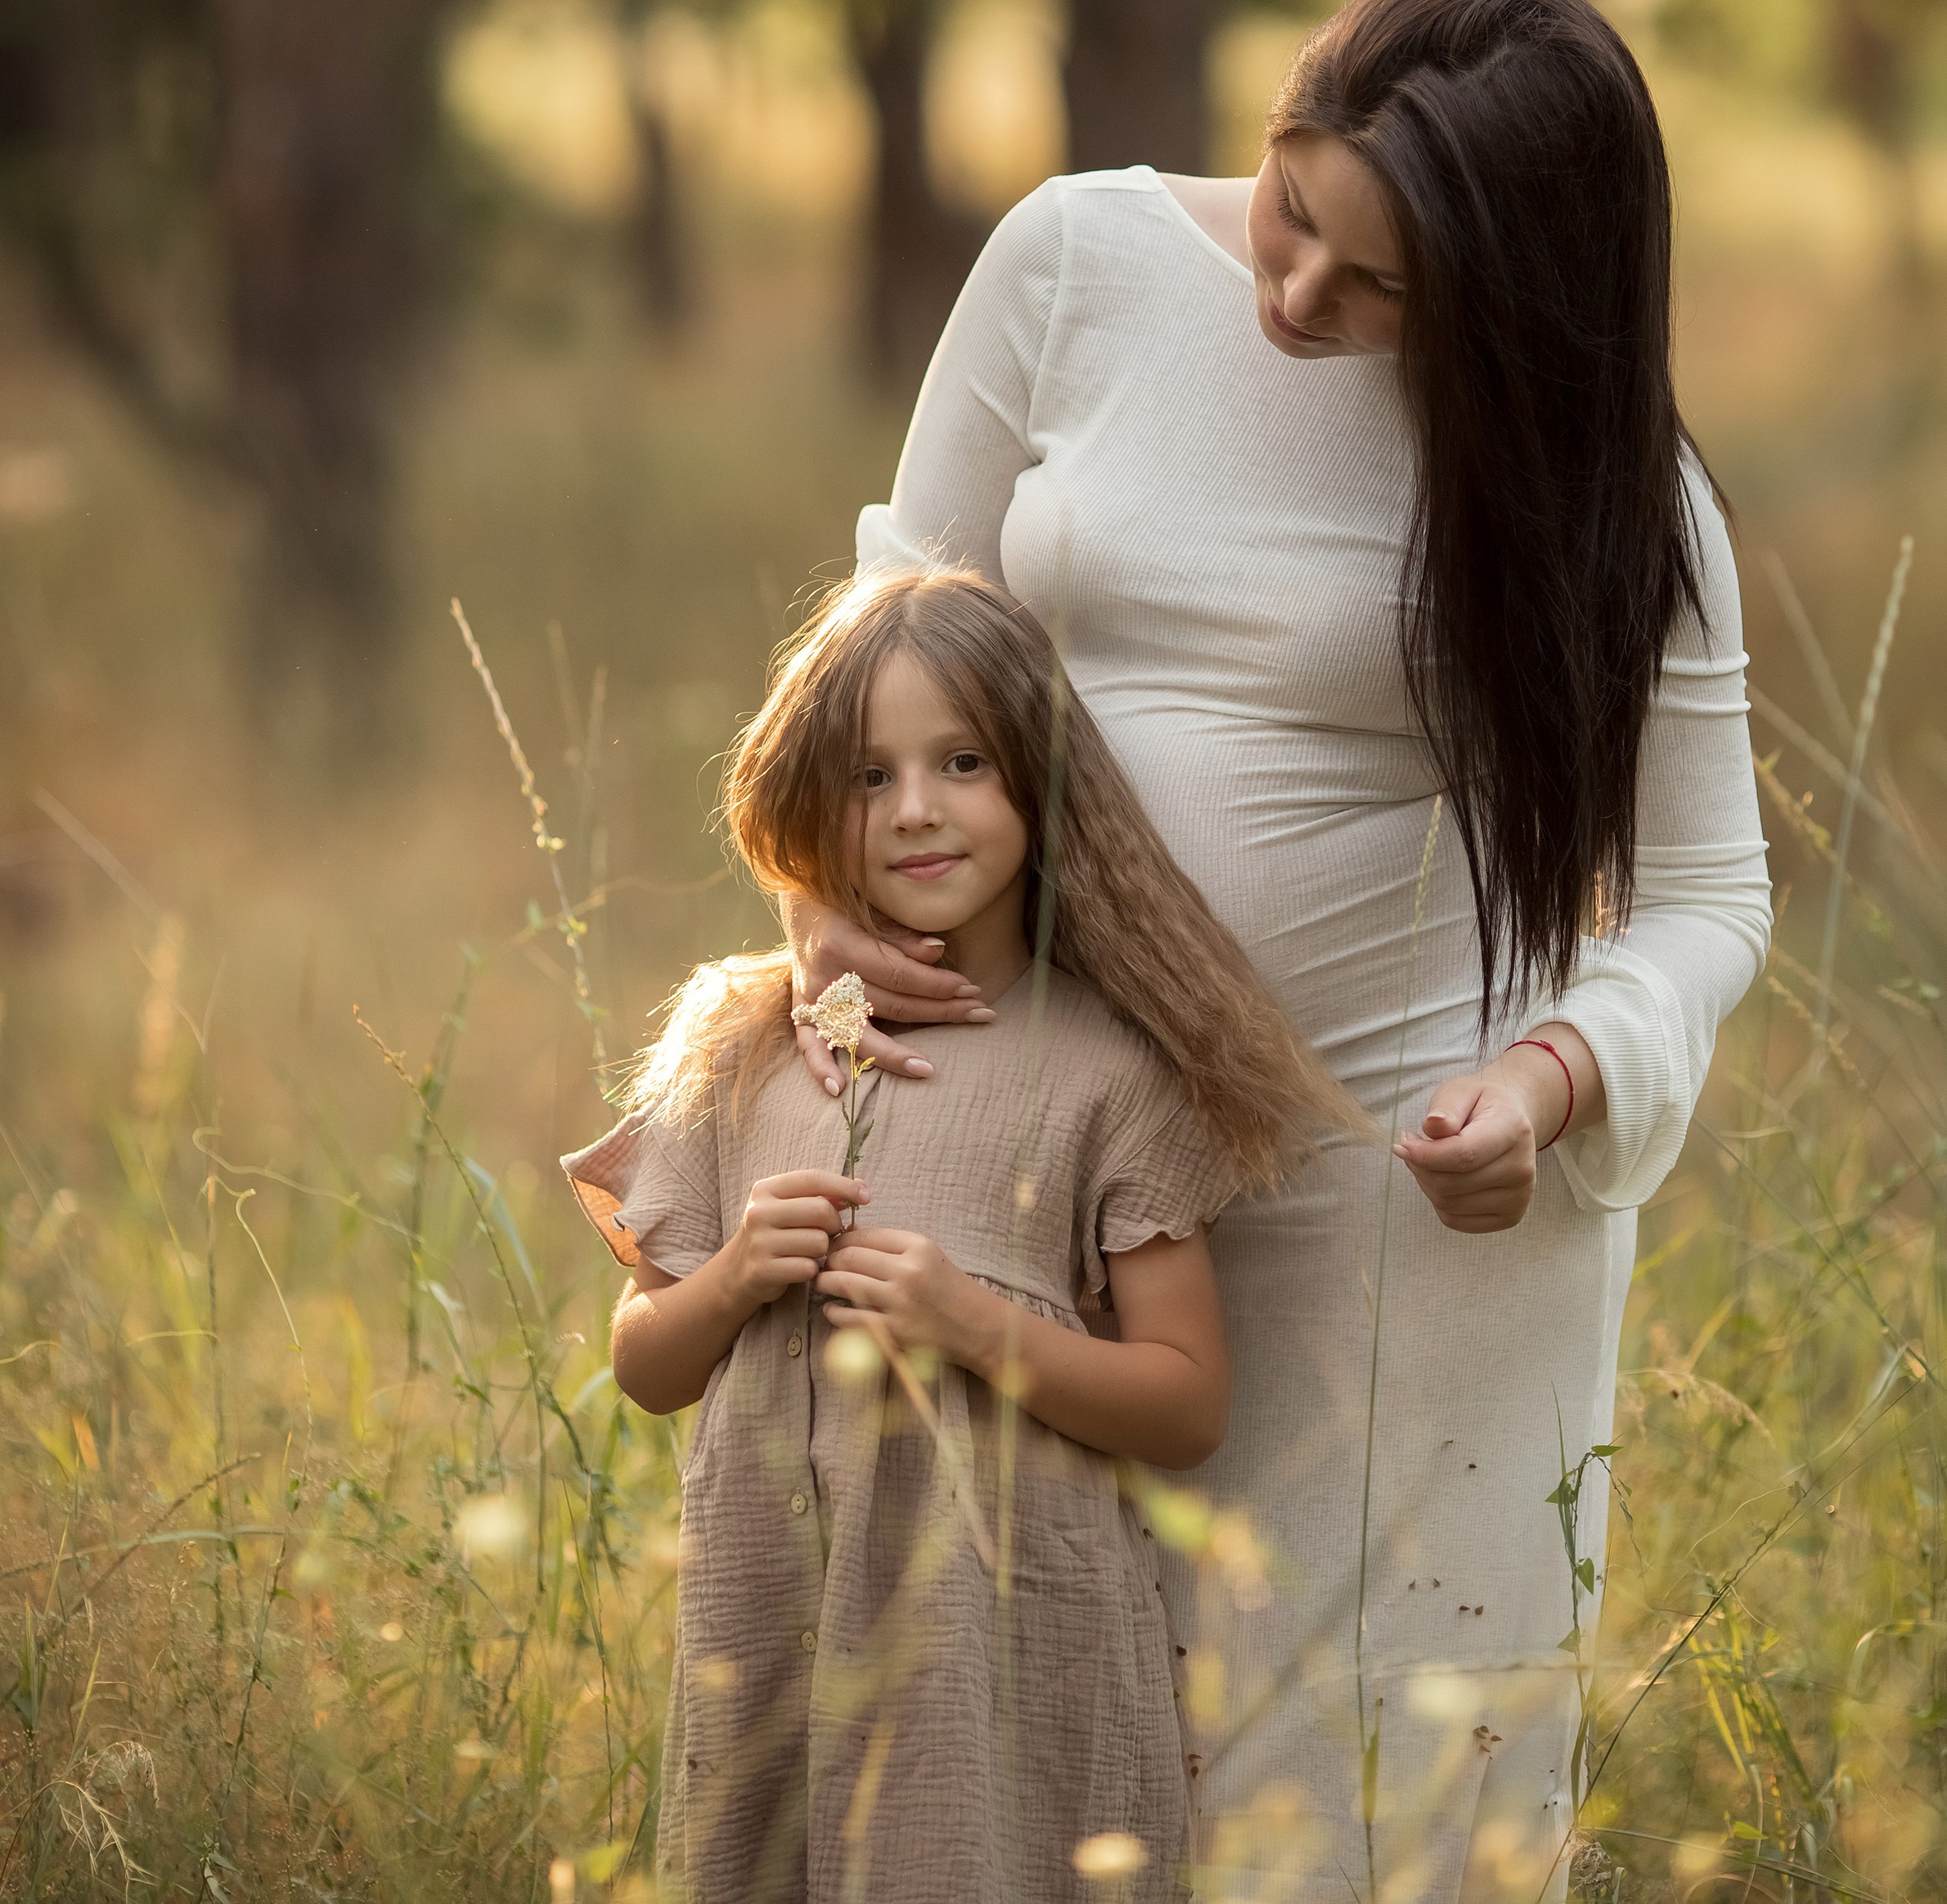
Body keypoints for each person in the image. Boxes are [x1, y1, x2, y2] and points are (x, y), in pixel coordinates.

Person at [784, 0, 1773, 1902]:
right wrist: (826, 899)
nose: (1298, 294)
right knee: (1008, 1763)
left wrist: (1550, 1078)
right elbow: (892, 606)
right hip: (1050, 1169)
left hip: (1391, 1221)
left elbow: (1705, 891)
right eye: (1291, 207)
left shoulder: (1605, 489)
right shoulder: (1071, 263)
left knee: (1347, 1802)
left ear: (1511, 296)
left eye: (1379, 285)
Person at [563, 564, 1357, 1904]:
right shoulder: (739, 1047)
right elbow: (644, 1364)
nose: (916, 810)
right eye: (868, 777)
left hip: (996, 1667)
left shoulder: (1108, 1071)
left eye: (965, 762)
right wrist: (735, 1277)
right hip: (765, 1635)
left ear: (1041, 785)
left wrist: (976, 1327)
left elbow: (1188, 1402)